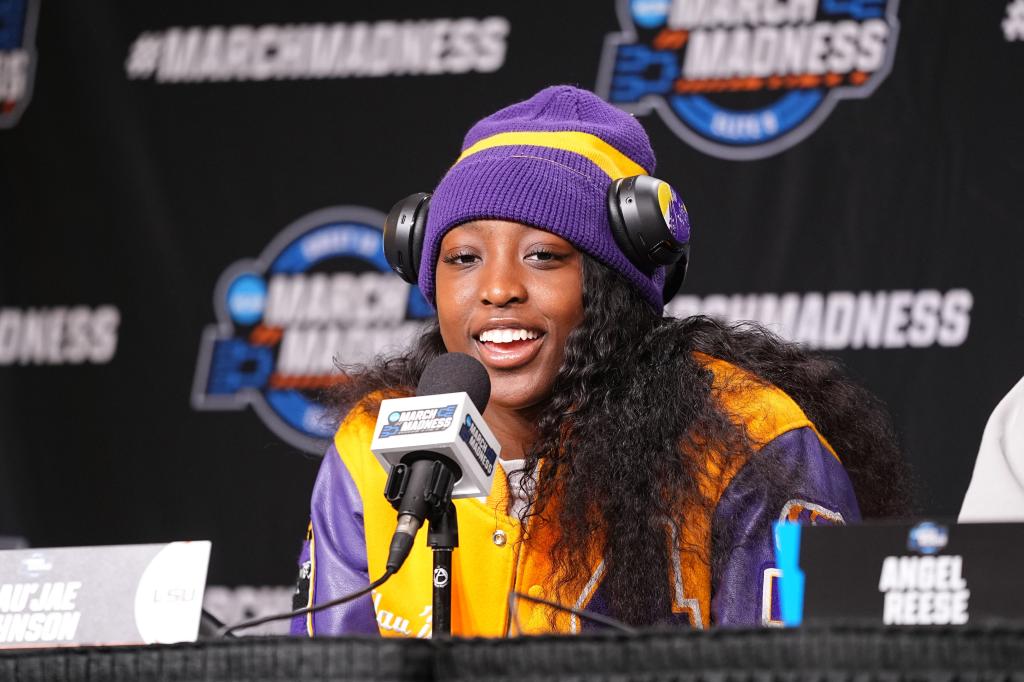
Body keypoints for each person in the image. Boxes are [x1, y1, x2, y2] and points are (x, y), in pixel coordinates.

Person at [291, 85, 911, 637]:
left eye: (543, 256)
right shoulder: (375, 442)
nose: (498, 287)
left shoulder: (751, 441)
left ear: (615, 284)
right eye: (463, 259)